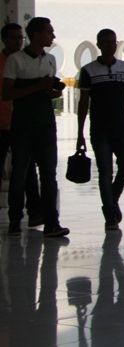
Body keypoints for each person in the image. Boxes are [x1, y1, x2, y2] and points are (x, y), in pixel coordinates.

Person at [76, 29, 124, 230]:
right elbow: (83, 104)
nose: (110, 46)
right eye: (106, 42)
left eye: (113, 42)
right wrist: (79, 133)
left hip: (122, 128)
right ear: (99, 45)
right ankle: (110, 215)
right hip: (100, 129)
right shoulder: (88, 70)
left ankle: (110, 203)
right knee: (105, 172)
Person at [1, 17, 68, 238]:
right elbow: (7, 94)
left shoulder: (49, 60)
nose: (53, 36)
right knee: (19, 174)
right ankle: (15, 222)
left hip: (46, 124)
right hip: (22, 126)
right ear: (37, 35)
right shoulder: (16, 60)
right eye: (49, 32)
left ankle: (51, 223)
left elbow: (46, 92)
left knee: (49, 175)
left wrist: (53, 92)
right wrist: (37, 86)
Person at [0, 23, 42, 229]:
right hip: (2, 124)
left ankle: (34, 213)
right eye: (13, 38)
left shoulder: (26, 61)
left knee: (28, 171)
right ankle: (16, 216)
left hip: (22, 124)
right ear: (4, 40)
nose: (18, 41)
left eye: (20, 38)